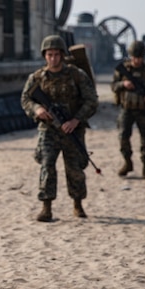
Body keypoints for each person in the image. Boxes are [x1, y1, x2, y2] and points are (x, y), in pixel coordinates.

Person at [21, 35, 98, 221]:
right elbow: (25, 99)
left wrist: (76, 120)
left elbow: (92, 100)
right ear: (44, 56)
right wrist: (37, 109)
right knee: (47, 166)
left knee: (75, 169)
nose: (53, 58)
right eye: (50, 54)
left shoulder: (76, 75)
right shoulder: (38, 77)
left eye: (56, 54)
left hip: (72, 129)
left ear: (62, 55)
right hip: (49, 130)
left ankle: (78, 204)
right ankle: (46, 207)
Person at [110, 40, 145, 179]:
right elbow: (113, 86)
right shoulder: (123, 70)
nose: (137, 61)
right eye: (134, 57)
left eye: (139, 58)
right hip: (126, 109)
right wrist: (123, 84)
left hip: (144, 110)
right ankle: (127, 162)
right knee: (123, 137)